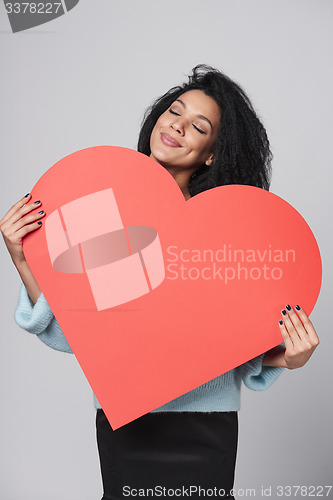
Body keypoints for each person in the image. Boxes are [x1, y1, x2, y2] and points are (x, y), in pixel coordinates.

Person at [0, 65, 320, 500]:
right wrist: (23, 259)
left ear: (212, 153)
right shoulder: (104, 210)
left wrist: (287, 358)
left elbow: (226, 339)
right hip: (128, 421)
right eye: (175, 111)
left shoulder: (225, 232)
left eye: (199, 126)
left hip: (207, 425)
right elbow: (76, 337)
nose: (178, 126)